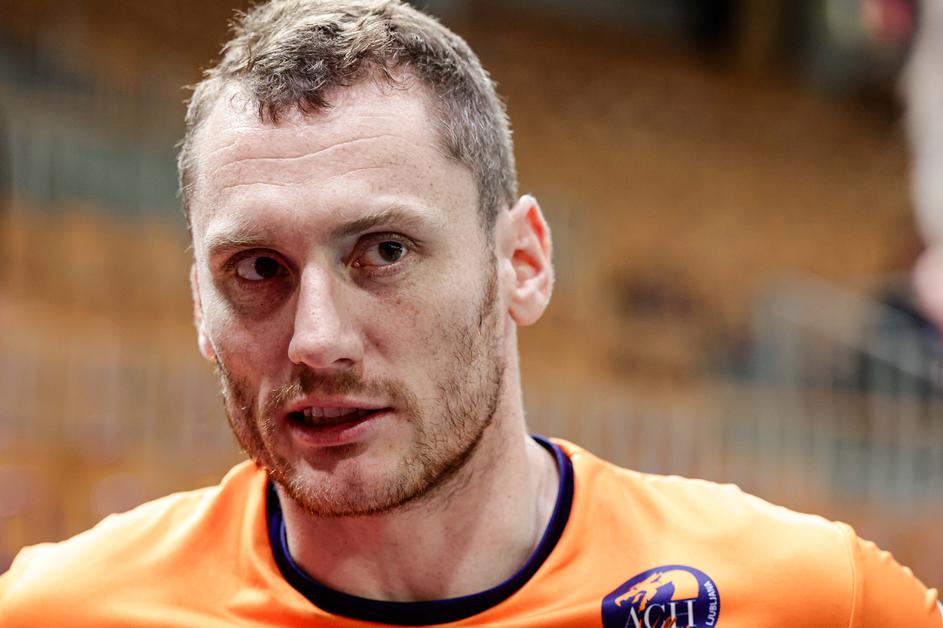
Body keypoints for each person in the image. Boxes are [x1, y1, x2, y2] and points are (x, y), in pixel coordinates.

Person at [1, 1, 940, 625]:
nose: (317, 339)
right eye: (256, 269)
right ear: (199, 309)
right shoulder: (64, 613)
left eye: (384, 252)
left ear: (521, 265)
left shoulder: (802, 598)